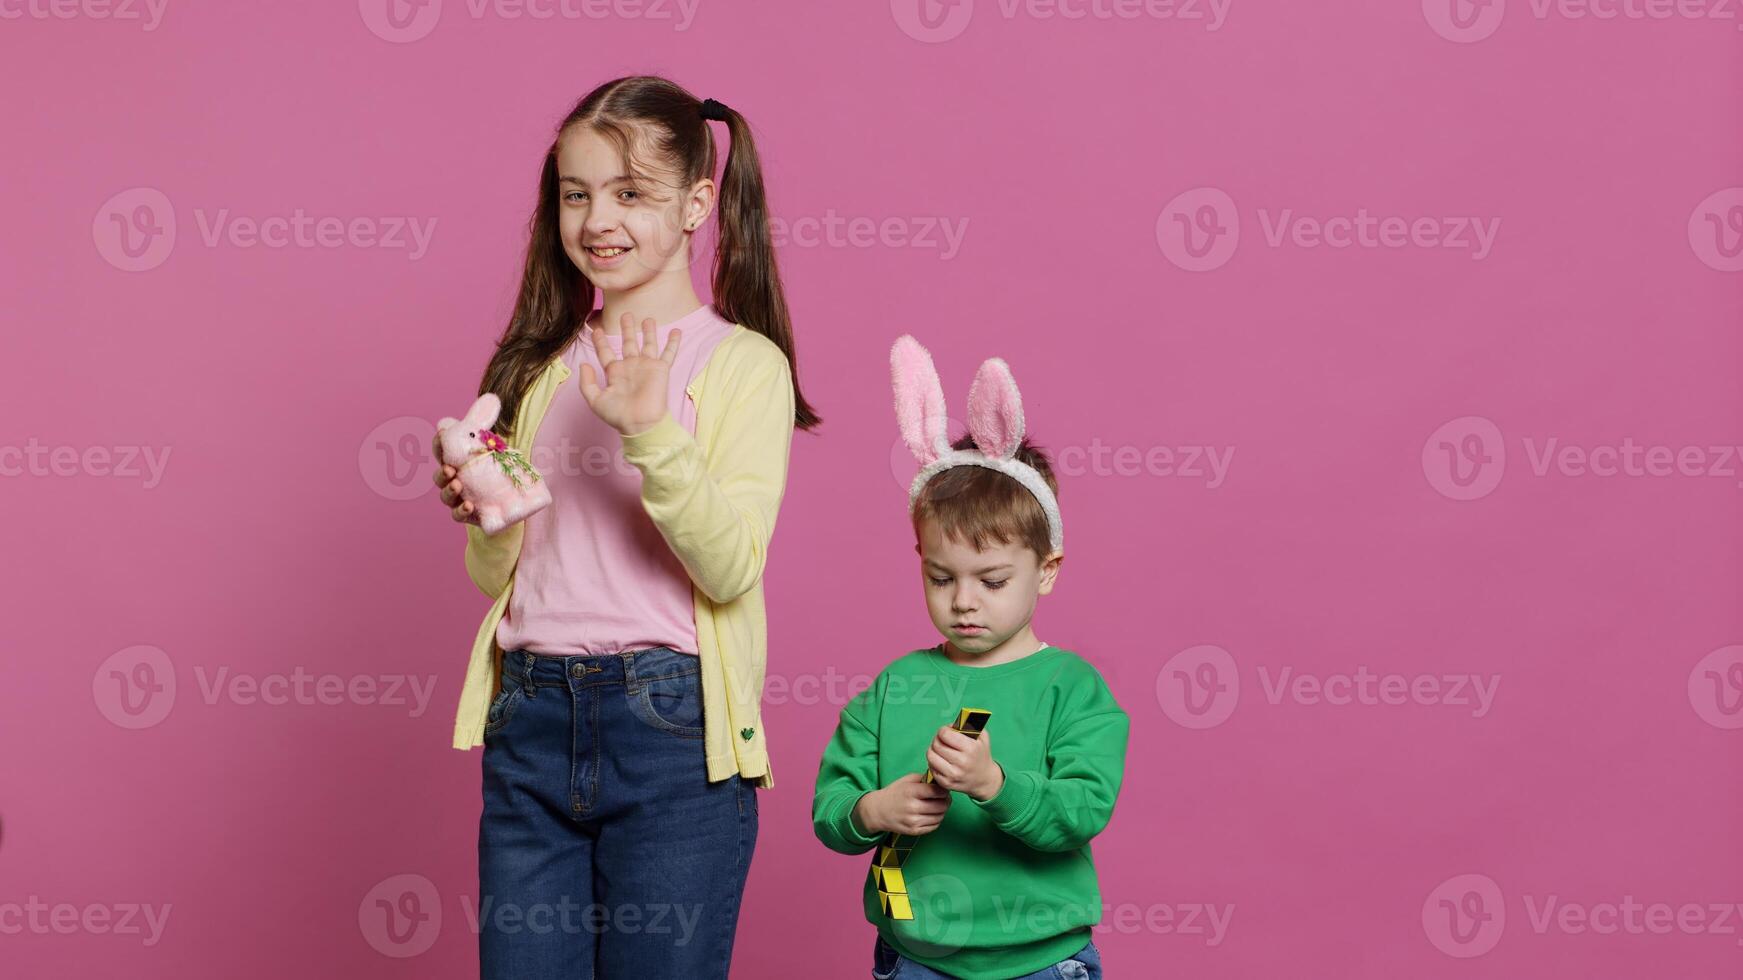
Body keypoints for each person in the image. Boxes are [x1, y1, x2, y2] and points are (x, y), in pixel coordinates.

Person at [431, 75, 820, 979]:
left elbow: (729, 568)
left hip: (671, 730)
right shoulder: (538, 366)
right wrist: (486, 505)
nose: (597, 219)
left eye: (630, 193)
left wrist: (648, 429)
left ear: (696, 204)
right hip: (528, 713)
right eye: (577, 194)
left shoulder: (740, 366)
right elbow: (501, 577)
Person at [813, 335, 1129, 979]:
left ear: (1045, 572)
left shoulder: (1072, 688)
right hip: (915, 957)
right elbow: (830, 807)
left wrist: (994, 786)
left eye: (991, 580)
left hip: (1040, 960)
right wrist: (870, 811)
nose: (963, 602)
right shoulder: (895, 686)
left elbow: (1082, 812)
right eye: (940, 577)